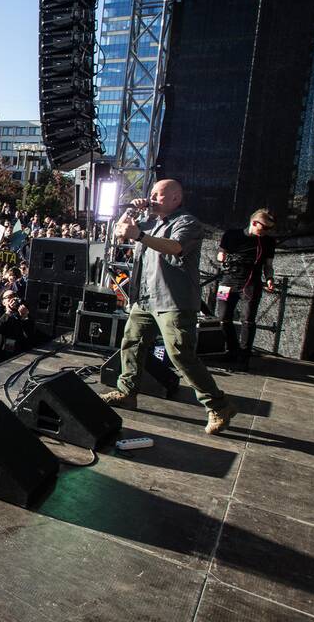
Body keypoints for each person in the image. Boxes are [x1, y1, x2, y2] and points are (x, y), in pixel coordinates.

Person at [103, 179, 236, 434]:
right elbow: (119, 232)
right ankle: (127, 392)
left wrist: (141, 235)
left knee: (180, 355)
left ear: (176, 198)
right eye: (150, 193)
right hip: (146, 299)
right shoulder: (152, 220)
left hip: (173, 300)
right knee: (131, 342)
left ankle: (218, 405)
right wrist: (131, 211)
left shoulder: (187, 223)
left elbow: (175, 247)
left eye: (157, 195)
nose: (151, 198)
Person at [217, 208, 278, 370]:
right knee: (223, 317)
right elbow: (221, 253)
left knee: (248, 320)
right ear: (254, 223)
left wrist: (270, 278)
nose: (266, 232)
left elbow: (268, 265)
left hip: (251, 283)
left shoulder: (268, 242)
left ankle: (244, 357)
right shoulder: (231, 235)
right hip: (227, 281)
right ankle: (231, 350)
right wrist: (222, 257)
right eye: (264, 228)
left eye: (269, 229)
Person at [0, 291, 34, 364]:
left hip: (19, 351)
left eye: (15, 295)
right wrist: (8, 313)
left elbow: (30, 333)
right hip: (1, 349)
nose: (13, 298)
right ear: (3, 302)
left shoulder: (22, 311)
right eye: (9, 297)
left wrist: (25, 317)